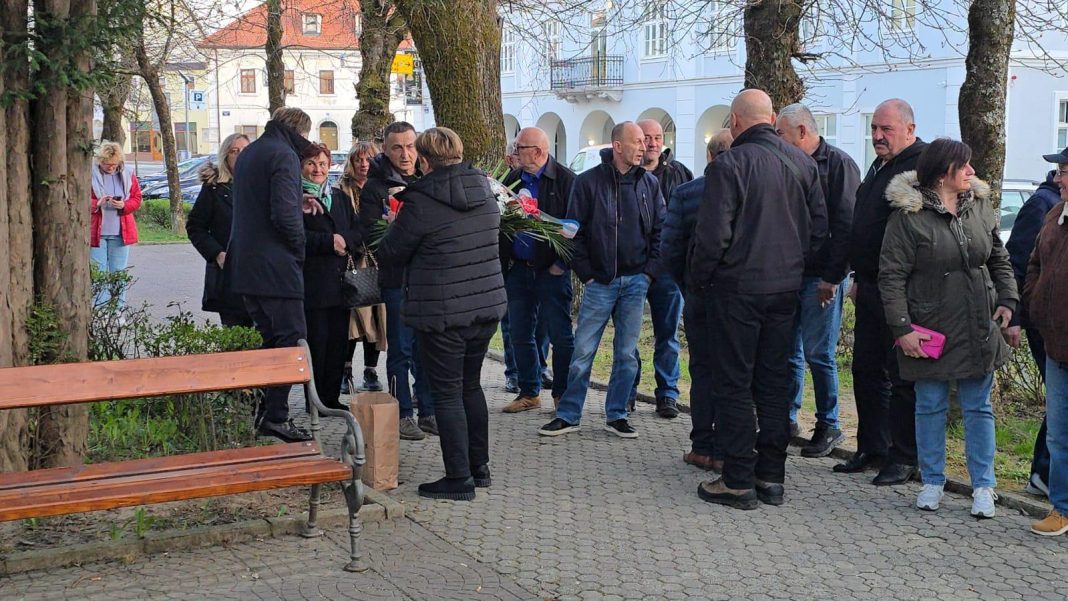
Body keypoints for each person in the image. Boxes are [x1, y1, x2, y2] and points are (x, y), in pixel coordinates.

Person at [690, 89, 827, 510]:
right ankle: (771, 475)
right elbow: (819, 230)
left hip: (736, 290)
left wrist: (699, 282)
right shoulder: (803, 163)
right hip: (784, 289)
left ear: (734, 121)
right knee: (773, 383)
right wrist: (795, 268)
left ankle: (737, 479)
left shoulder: (729, 165)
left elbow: (713, 236)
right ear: (770, 119)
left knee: (734, 383)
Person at [880, 138, 1017, 518]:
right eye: (964, 166)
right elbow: (891, 277)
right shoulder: (907, 217)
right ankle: (932, 481)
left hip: (977, 323)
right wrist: (902, 328)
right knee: (929, 405)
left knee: (978, 407)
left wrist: (1008, 300)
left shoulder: (979, 206)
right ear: (943, 174)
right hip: (930, 328)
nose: (972, 172)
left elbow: (998, 257)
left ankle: (984, 486)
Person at [376, 127, 507, 501]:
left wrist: (393, 226)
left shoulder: (421, 201)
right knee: (470, 386)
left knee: (447, 393)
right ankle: (479, 468)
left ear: (424, 160)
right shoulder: (486, 192)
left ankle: (458, 478)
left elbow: (391, 253)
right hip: (484, 307)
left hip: (443, 310)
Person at [538, 121, 664, 439]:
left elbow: (661, 231)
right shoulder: (588, 182)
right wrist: (588, 275)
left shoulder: (649, 184)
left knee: (626, 354)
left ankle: (617, 414)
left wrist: (649, 273)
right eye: (637, 141)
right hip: (600, 284)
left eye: (645, 141)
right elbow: (573, 232)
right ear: (617, 146)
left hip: (636, 282)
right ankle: (569, 414)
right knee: (582, 352)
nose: (644, 147)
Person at [837, 99, 927, 485]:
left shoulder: (921, 166)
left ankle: (904, 455)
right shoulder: (880, 165)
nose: (877, 136)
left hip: (900, 291)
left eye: (886, 129)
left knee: (901, 376)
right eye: (874, 128)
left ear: (909, 129)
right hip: (870, 285)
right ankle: (872, 447)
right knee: (866, 369)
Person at [776, 103, 860, 457]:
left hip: (822, 277)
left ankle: (829, 424)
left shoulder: (839, 165)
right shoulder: (786, 163)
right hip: (790, 273)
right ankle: (787, 418)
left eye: (780, 133)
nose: (777, 139)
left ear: (802, 131)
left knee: (818, 353)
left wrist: (833, 276)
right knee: (788, 352)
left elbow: (846, 224)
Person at [227, 106, 315, 443]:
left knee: (269, 339)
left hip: (247, 264)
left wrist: (295, 199)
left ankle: (265, 412)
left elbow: (261, 202)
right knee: (292, 339)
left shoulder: (251, 152)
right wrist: (299, 250)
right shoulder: (284, 154)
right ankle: (276, 416)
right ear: (298, 131)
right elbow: (283, 217)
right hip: (275, 267)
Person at [658, 128, 733, 472]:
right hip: (735, 296)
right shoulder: (748, 189)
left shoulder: (686, 193)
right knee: (732, 372)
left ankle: (702, 445)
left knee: (702, 369)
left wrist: (686, 283)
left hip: (698, 293)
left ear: (709, 156)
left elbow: (670, 248)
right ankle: (727, 447)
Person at [359, 121, 436, 441]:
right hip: (396, 279)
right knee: (401, 349)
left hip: (427, 280)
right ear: (386, 150)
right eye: (397, 148)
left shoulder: (428, 178)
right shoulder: (375, 187)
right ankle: (403, 413)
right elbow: (371, 236)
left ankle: (428, 411)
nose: (405, 154)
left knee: (425, 348)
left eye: (410, 146)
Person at [499, 127, 577, 413]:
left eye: (519, 148)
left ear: (538, 152)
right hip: (519, 270)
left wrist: (561, 265)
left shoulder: (567, 180)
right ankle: (529, 391)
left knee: (560, 335)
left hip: (552, 271)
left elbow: (578, 227)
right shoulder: (513, 178)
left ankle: (562, 394)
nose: (514, 153)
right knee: (519, 333)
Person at [1006, 165, 1063, 498]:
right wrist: (1018, 313)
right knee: (1060, 402)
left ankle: (1047, 473)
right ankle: (1043, 472)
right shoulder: (1043, 205)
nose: (1060, 178)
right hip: (1047, 325)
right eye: (1062, 171)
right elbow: (1020, 263)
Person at [631, 118, 692, 418]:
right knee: (628, 336)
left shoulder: (679, 173)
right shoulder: (625, 173)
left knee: (667, 335)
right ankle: (627, 391)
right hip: (633, 267)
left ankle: (667, 394)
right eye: (647, 137)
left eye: (657, 137)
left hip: (667, 270)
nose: (653, 143)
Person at [299, 142, 364, 411]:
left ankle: (331, 397)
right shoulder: (296, 199)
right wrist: (328, 242)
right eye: (311, 164)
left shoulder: (339, 197)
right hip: (313, 283)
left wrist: (345, 241)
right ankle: (314, 401)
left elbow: (358, 230)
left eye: (323, 164)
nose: (318, 169)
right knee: (316, 343)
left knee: (338, 343)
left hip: (341, 285)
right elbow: (296, 236)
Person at [1025, 148, 1068, 536]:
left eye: (1065, 171)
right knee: (1058, 433)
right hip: (1056, 344)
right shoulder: (1054, 214)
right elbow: (1034, 263)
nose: (1058, 178)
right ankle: (1061, 508)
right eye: (1059, 170)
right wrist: (1034, 303)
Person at [335, 142, 387, 397]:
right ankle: (345, 370)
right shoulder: (341, 190)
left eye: (369, 159)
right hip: (352, 261)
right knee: (353, 318)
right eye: (359, 160)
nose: (364, 164)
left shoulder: (382, 187)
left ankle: (370, 369)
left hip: (378, 261)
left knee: (376, 317)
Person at [187, 133, 253, 328]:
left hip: (259, 275)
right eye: (234, 151)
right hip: (229, 276)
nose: (240, 155)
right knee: (235, 334)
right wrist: (217, 254)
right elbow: (195, 227)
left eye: (245, 151)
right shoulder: (214, 189)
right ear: (226, 156)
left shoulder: (262, 185)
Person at [90, 141, 143, 308]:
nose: (111, 168)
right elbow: (80, 199)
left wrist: (124, 205)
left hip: (120, 233)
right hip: (97, 233)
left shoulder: (127, 174)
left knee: (118, 273)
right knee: (99, 273)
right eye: (107, 164)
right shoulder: (90, 175)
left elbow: (136, 198)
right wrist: (97, 203)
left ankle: (118, 310)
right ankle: (100, 310)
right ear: (100, 161)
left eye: (114, 164)